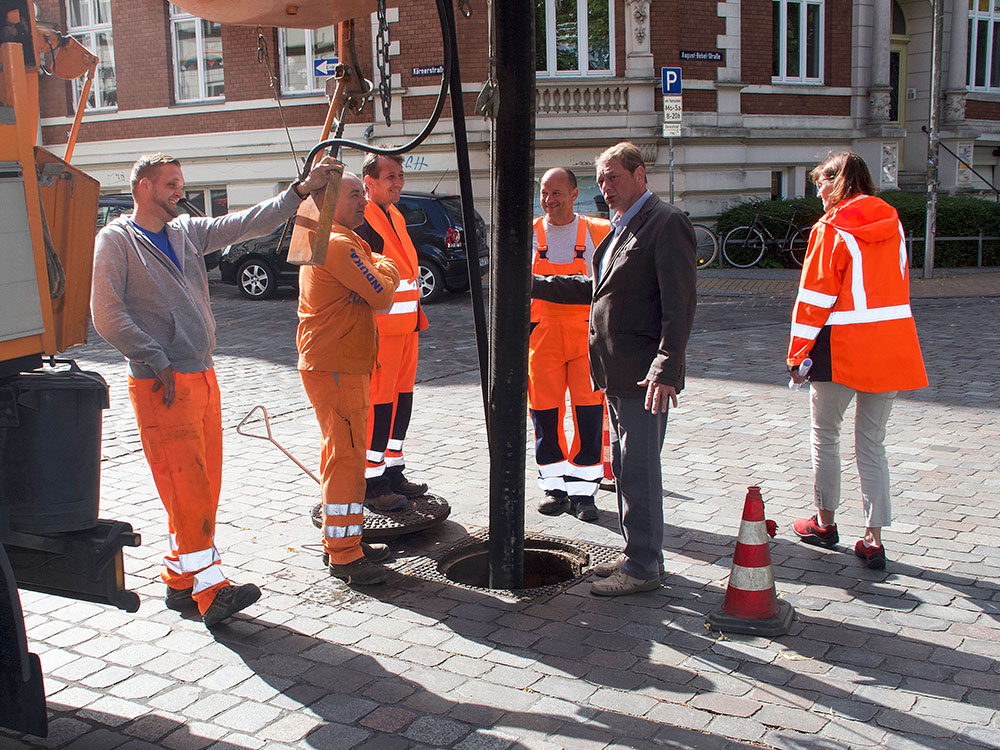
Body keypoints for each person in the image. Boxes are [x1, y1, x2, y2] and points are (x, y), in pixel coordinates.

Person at [91, 152, 334, 627]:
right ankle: (210, 589)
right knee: (189, 487)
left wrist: (299, 193)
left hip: (201, 375)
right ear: (143, 186)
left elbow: (245, 223)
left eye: (181, 183)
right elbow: (106, 312)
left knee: (205, 485)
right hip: (162, 383)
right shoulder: (116, 240)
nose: (179, 192)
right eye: (170, 184)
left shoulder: (184, 232)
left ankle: (180, 581)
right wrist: (153, 356)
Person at [531, 142, 697, 596]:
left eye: (614, 177)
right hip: (617, 373)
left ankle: (644, 567)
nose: (606, 186)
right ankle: (635, 552)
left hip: (645, 376)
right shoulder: (622, 225)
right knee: (624, 465)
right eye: (601, 179)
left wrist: (666, 367)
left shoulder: (666, 222)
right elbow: (600, 290)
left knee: (640, 469)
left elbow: (678, 305)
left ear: (640, 175)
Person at [788, 151, 927, 570]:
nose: (818, 192)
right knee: (872, 443)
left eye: (821, 183)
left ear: (838, 183)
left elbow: (814, 297)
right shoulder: (894, 223)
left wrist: (797, 353)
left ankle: (825, 522)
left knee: (824, 435)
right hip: (891, 345)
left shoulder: (830, 228)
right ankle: (873, 538)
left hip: (841, 347)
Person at [297, 172, 401, 586]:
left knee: (340, 453)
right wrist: (385, 266)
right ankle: (345, 555)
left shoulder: (337, 237)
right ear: (329, 201)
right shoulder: (339, 244)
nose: (364, 201)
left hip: (336, 362)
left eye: (363, 193)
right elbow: (382, 294)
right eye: (355, 194)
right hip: (338, 364)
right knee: (347, 457)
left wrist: (375, 270)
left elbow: (373, 284)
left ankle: (343, 542)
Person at [529, 167, 610, 521]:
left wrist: (545, 285)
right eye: (545, 193)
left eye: (557, 193)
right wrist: (575, 285)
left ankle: (583, 492)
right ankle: (553, 487)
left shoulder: (598, 231)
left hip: (586, 337)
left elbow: (603, 286)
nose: (549, 200)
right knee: (545, 414)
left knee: (589, 413)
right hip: (541, 337)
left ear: (574, 195)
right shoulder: (530, 233)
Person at [355, 154, 430, 510]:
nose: (398, 182)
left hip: (407, 327)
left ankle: (393, 468)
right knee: (379, 404)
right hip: (381, 331)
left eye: (400, 175)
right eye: (390, 177)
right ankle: (372, 481)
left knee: (402, 401)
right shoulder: (362, 219)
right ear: (368, 182)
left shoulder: (395, 214)